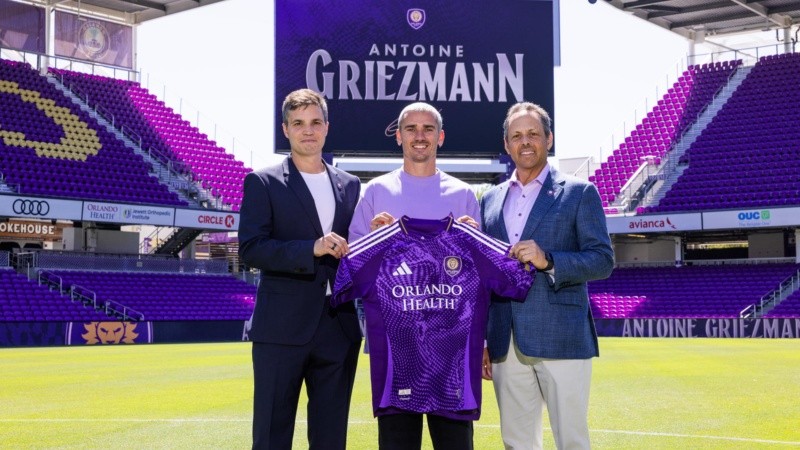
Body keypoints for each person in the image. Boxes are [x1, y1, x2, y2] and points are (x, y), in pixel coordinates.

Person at [480, 102, 614, 450]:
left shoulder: (579, 192)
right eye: (517, 136)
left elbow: (602, 260)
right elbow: (483, 275)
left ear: (549, 139)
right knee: (517, 442)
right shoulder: (490, 200)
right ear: (506, 144)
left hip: (562, 337)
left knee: (571, 441)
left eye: (533, 134)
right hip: (505, 340)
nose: (525, 142)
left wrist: (549, 259)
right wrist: (481, 339)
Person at [347, 102, 481, 449]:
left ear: (441, 137)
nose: (419, 136)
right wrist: (375, 241)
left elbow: (478, 275)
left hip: (451, 348)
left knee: (455, 444)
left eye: (427, 129)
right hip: (397, 346)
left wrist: (473, 241)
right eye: (411, 129)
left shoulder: (464, 194)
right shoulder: (375, 191)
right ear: (398, 137)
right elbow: (354, 263)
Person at [238, 88, 362, 449]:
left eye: (315, 122)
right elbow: (251, 248)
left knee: (330, 436)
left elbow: (355, 251)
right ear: (286, 129)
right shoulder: (263, 182)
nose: (308, 130)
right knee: (273, 434)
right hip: (281, 327)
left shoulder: (349, 184)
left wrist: (372, 234)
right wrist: (311, 248)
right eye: (299, 123)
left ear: (326, 127)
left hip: (338, 326)